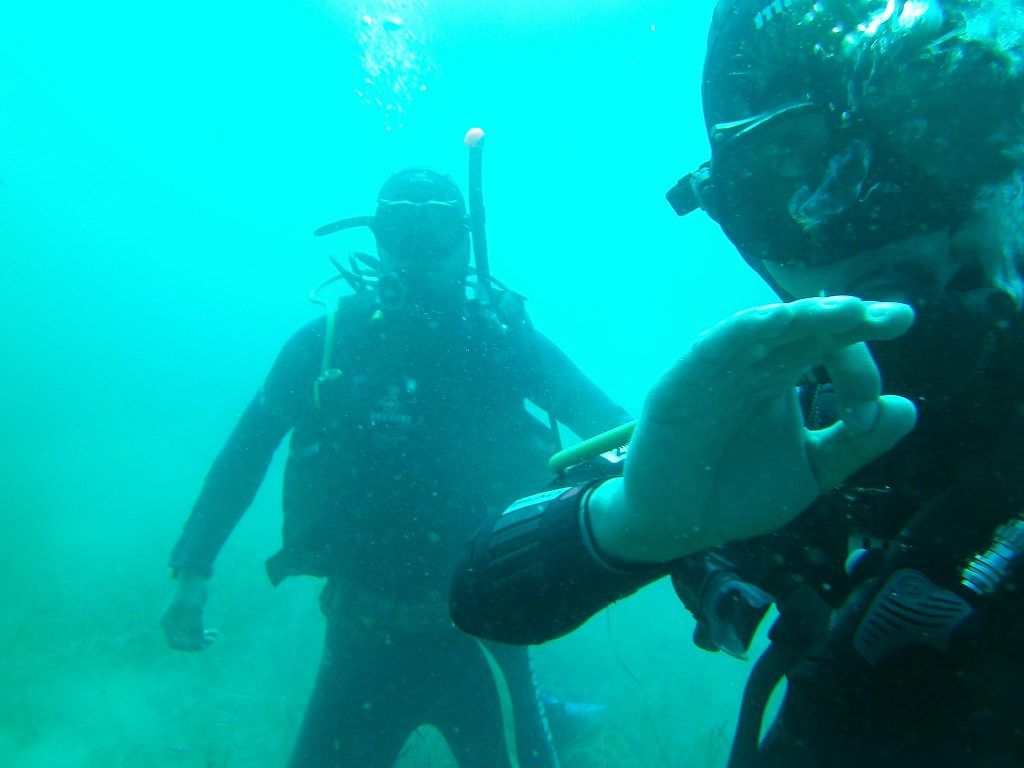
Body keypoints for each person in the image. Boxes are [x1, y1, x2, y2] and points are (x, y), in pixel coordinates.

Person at [450, 1, 1024, 765]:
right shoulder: (793, 420)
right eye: (778, 175)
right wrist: (630, 521)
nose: (851, 220)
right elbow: (486, 596)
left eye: (930, 140)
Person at [161, 167, 631, 768]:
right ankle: (555, 713)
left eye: (437, 231)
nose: (419, 254)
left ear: (467, 239)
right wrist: (192, 567)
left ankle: (550, 712)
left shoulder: (503, 340)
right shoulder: (326, 344)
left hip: (485, 629)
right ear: (378, 239)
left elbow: (617, 431)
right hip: (362, 634)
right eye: (402, 232)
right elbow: (245, 453)